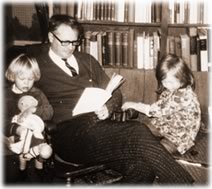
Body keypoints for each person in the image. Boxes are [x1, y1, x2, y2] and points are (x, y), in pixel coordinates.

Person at [32, 14, 194, 184]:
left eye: (75, 42)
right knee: (137, 130)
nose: (71, 47)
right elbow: (17, 95)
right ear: (51, 36)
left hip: (99, 128)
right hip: (69, 135)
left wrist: (108, 108)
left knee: (142, 167)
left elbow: (115, 93)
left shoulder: (87, 60)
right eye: (65, 42)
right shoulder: (37, 65)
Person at [122, 54, 201, 155]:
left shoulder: (183, 96)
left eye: (171, 82)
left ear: (182, 77)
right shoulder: (172, 89)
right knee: (140, 129)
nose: (167, 85)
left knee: (156, 152)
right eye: (164, 82)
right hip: (166, 124)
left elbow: (153, 111)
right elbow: (160, 105)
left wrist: (133, 105)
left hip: (180, 136)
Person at [4, 54, 53, 183]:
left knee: (38, 179)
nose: (27, 82)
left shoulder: (37, 93)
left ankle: (37, 168)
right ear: (13, 76)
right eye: (22, 78)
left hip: (35, 142)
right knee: (11, 177)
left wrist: (34, 109)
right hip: (11, 144)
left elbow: (49, 112)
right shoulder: (5, 95)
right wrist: (17, 129)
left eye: (31, 79)